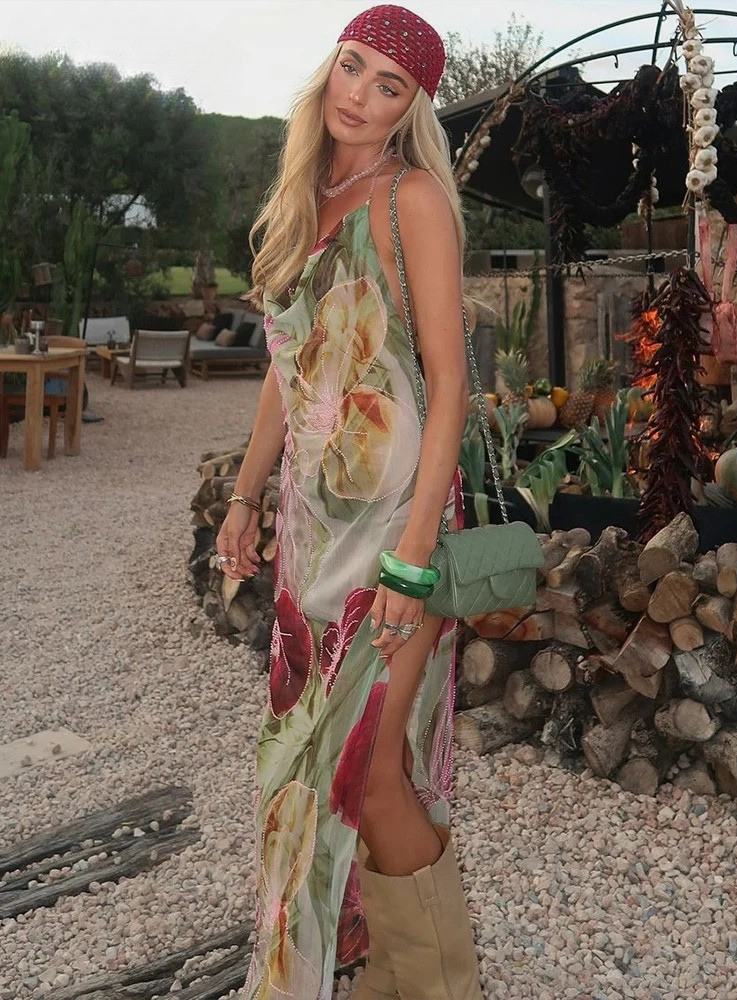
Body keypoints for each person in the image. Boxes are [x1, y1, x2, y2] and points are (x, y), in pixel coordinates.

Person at [216, 6, 483, 998]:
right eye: (354, 67)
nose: (360, 96)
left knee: (363, 768)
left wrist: (413, 556)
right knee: (315, 763)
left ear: (413, 107)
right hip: (312, 531)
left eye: (388, 86)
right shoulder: (306, 198)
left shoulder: (412, 198)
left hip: (396, 529)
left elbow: (451, 386)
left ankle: (442, 985)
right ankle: (380, 974)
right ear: (331, 65)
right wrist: (245, 495)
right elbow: (286, 367)